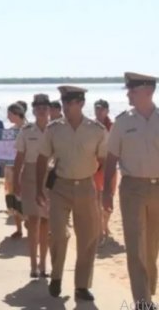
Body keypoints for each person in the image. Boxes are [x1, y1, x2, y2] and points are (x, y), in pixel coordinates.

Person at [36, 85, 107, 301]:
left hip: (86, 187)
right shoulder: (54, 129)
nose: (66, 107)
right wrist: (39, 187)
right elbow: (41, 158)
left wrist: (99, 187)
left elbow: (104, 160)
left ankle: (82, 285)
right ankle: (56, 276)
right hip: (60, 187)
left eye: (70, 102)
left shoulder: (96, 130)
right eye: (64, 102)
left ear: (81, 103)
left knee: (87, 238)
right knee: (58, 233)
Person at [103, 72, 159, 308]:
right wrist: (106, 191)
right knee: (135, 246)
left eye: (132, 90)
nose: (128, 94)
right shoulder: (123, 121)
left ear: (148, 91)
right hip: (132, 188)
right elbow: (111, 156)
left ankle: (149, 288)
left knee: (152, 246)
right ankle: (142, 302)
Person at [14, 94, 51, 278]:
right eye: (39, 107)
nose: (42, 110)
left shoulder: (55, 129)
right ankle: (33, 265)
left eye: (45, 107)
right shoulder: (26, 131)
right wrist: (15, 182)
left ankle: (44, 264)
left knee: (46, 222)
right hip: (30, 175)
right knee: (33, 221)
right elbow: (19, 158)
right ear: (34, 110)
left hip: (51, 178)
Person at [93, 99, 116, 243]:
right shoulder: (91, 126)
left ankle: (105, 225)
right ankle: (99, 230)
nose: (99, 111)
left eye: (101, 109)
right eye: (96, 109)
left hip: (111, 166)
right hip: (95, 166)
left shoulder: (113, 126)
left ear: (107, 110)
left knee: (109, 197)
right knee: (96, 199)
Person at [4, 103, 26, 239]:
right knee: (12, 197)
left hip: (24, 168)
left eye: (9, 114)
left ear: (16, 113)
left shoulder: (28, 129)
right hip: (10, 169)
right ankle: (18, 228)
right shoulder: (10, 131)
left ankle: (30, 227)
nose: (8, 116)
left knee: (24, 198)